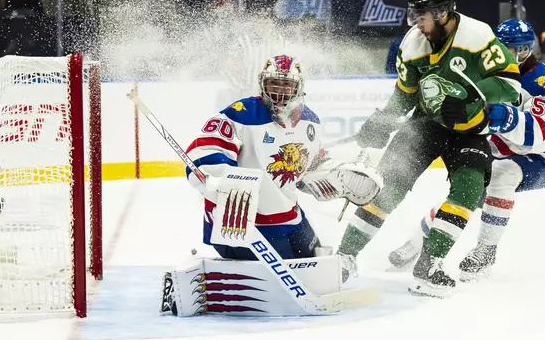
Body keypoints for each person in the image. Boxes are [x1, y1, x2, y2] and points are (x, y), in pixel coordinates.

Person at [336, 0, 521, 297]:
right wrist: (382, 120)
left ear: (443, 13)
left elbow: (511, 87)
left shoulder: (478, 38)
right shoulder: (412, 44)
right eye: (414, 15)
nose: (416, 23)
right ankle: (344, 256)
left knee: (468, 189)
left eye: (421, 16)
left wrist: (470, 95)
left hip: (470, 128)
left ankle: (430, 264)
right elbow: (404, 95)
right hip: (425, 124)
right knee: (387, 187)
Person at [160, 55, 383, 316]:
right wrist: (227, 179)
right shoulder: (242, 114)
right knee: (282, 279)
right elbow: (204, 155)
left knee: (316, 264)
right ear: (262, 85)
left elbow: (306, 168)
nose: (280, 92)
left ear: (299, 88)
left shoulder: (311, 121)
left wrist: (336, 176)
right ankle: (199, 284)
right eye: (274, 84)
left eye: (287, 86)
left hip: (289, 215)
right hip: (244, 222)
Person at [389, 19, 545, 281]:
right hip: (498, 151)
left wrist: (510, 119)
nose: (514, 57)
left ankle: (486, 250)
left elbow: (543, 133)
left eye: (521, 50)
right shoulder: (484, 72)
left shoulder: (542, 79)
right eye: (507, 50)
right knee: (465, 193)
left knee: (502, 177)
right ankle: (418, 243)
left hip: (538, 160)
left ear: (529, 49)